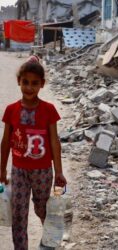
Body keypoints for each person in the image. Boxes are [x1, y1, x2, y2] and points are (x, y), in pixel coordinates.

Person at [0, 55, 67, 250]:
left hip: (43, 172)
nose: (29, 87)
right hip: (19, 170)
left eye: (34, 83)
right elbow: (5, 143)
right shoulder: (11, 110)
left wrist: (59, 172)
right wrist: (2, 169)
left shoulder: (49, 110)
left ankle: (50, 240)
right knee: (19, 212)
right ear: (19, 82)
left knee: (42, 208)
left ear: (42, 84)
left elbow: (54, 142)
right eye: (25, 82)